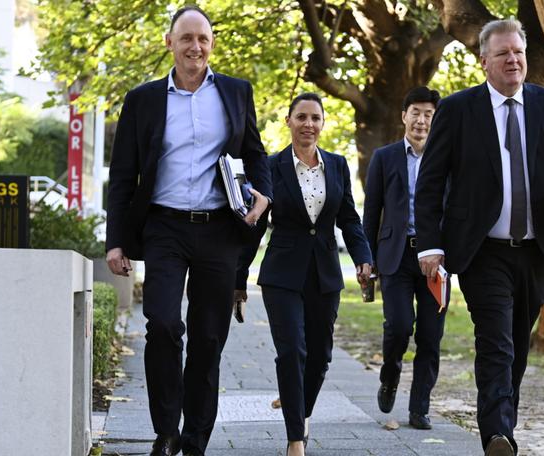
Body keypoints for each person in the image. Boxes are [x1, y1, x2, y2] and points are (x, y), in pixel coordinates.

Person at [414, 19, 544, 456]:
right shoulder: (459, 110)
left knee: (515, 343)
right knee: (495, 340)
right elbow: (431, 182)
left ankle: (501, 422)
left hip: (537, 251)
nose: (513, 60)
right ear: (484, 62)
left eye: (518, 51)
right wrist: (431, 244)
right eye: (503, 53)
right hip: (482, 251)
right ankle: (497, 435)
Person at [104, 6, 272, 456]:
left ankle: (196, 439)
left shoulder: (236, 93)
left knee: (208, 336)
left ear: (212, 42)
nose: (195, 47)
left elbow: (255, 153)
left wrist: (265, 194)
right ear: (169, 43)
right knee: (162, 325)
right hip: (163, 227)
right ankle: (166, 431)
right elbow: (122, 176)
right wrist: (116, 240)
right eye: (186, 39)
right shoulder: (143, 99)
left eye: (203, 38)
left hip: (219, 229)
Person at [237, 92, 372, 456]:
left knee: (321, 356)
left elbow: (348, 219)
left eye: (315, 118)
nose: (308, 124)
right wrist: (239, 279)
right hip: (282, 273)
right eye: (301, 117)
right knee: (292, 351)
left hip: (325, 273)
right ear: (289, 121)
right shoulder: (269, 166)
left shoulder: (337, 165)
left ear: (322, 122)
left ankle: (296, 402)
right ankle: (296, 437)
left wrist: (363, 258)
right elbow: (256, 224)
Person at [362, 86, 449, 430]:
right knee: (398, 327)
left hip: (436, 262)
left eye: (429, 114)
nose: (422, 120)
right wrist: (366, 258)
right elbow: (372, 213)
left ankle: (420, 407)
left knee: (430, 335)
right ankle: (390, 374)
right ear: (404, 116)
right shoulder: (385, 157)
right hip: (395, 256)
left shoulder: (447, 157)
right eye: (416, 112)